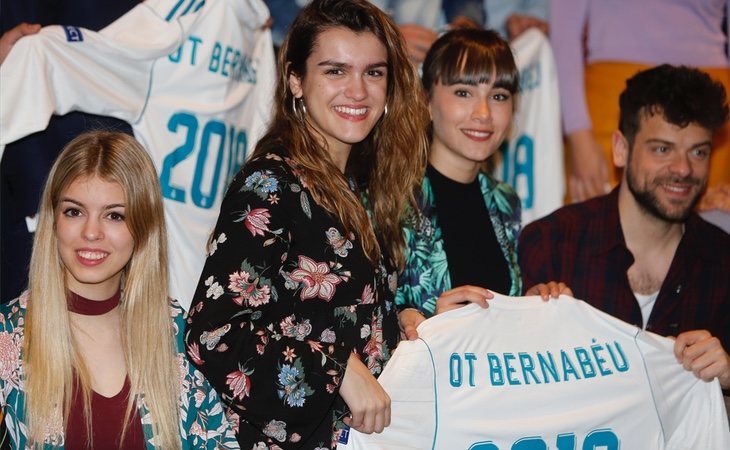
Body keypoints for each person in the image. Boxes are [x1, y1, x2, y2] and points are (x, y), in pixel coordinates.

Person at [183, 0, 429, 448]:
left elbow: (326, 319)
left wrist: (404, 325)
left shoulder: (363, 186)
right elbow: (214, 339)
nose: (358, 91)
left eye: (373, 72)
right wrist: (333, 372)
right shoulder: (269, 185)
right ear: (296, 80)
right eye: (335, 71)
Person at [0, 131, 239, 449]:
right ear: (53, 220)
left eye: (114, 215)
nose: (91, 232)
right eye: (75, 211)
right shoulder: (8, 335)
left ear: (143, 228)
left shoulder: (177, 335)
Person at [519, 65, 730, 397]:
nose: (683, 168)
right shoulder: (551, 243)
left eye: (698, 152)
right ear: (621, 149)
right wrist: (525, 329)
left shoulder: (723, 262)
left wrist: (728, 377)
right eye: (662, 149)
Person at [395, 28, 568, 339]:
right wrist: (417, 323)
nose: (484, 113)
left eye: (498, 96)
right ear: (426, 101)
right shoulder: (388, 197)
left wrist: (531, 305)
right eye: (464, 92)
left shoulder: (505, 201)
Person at [550, 0, 730, 202]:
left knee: (710, 223)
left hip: (710, 97)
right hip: (613, 93)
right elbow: (564, 31)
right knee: (598, 223)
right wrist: (578, 133)